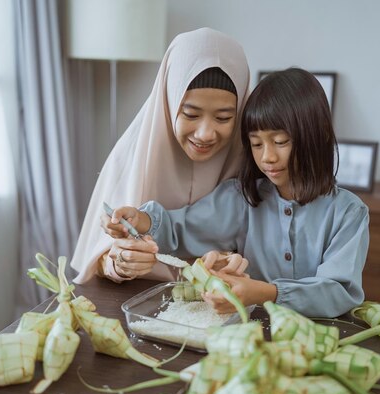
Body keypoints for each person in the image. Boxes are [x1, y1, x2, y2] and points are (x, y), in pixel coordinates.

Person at [104, 68, 369, 318]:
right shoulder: (241, 197)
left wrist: (267, 293)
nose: (267, 157)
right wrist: (142, 221)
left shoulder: (348, 212)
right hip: (247, 336)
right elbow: (180, 229)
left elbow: (339, 290)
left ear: (316, 135)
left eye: (280, 142)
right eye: (256, 144)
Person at [71, 28, 251, 284]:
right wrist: (121, 261)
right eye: (190, 114)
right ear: (168, 102)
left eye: (223, 118)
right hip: (138, 302)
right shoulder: (128, 159)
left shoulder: (255, 162)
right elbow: (97, 259)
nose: (205, 134)